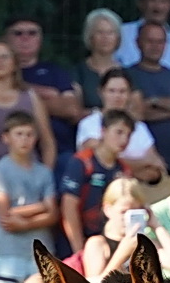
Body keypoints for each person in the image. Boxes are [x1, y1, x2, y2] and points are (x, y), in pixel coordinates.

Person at [0, 112, 59, 283]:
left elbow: (53, 215)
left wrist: (25, 221)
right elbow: (6, 217)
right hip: (9, 254)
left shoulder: (43, 172)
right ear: (6, 137)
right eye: (19, 134)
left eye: (29, 134)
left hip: (42, 253)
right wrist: (42, 206)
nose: (24, 139)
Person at [78, 176, 170, 283]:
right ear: (108, 209)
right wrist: (122, 253)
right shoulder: (97, 243)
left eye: (135, 212)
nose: (128, 218)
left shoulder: (141, 242)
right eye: (123, 212)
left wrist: (156, 225)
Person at [56, 109, 132, 258]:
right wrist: (79, 251)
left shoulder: (124, 169)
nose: (124, 140)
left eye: (128, 135)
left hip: (109, 245)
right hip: (75, 244)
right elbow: (68, 207)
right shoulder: (82, 162)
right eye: (119, 132)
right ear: (103, 131)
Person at [0, 40, 55, 173]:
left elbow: (47, 142)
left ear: (15, 63)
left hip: (28, 171)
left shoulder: (30, 96)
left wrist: (45, 175)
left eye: (5, 57)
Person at [75, 69, 166, 184]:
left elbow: (156, 169)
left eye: (122, 91)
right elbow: (103, 160)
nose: (117, 96)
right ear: (101, 92)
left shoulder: (140, 127)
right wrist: (143, 163)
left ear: (129, 94)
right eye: (111, 91)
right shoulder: (89, 124)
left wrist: (126, 167)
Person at [7, 16, 79, 159]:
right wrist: (47, 94)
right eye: (18, 33)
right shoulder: (0, 73)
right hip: (10, 151)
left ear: (40, 39)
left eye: (32, 33)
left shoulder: (55, 71)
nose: (25, 38)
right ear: (6, 38)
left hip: (60, 150)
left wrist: (19, 95)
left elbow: (71, 109)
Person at [127, 22, 170, 174]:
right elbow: (137, 113)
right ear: (138, 43)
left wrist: (154, 101)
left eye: (160, 42)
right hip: (142, 162)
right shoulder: (127, 76)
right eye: (150, 41)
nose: (156, 46)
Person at [74, 9, 126, 110]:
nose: (105, 37)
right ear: (90, 37)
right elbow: (76, 110)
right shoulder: (78, 72)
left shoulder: (127, 73)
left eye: (110, 32)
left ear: (117, 38)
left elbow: (135, 110)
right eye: (100, 32)